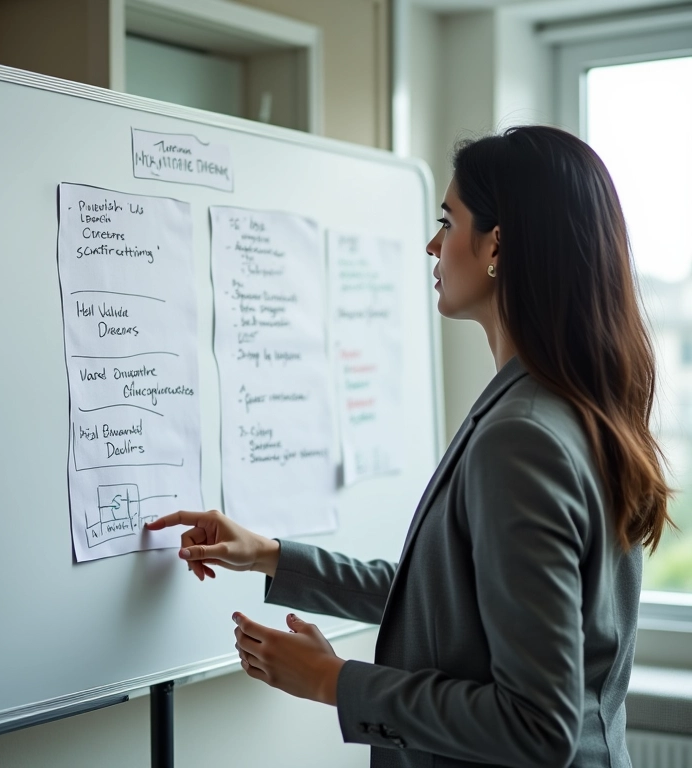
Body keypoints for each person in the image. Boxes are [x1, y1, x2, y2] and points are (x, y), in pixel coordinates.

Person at [146, 125, 672, 767]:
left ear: (496, 245)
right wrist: (271, 557)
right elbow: (446, 604)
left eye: (448, 222)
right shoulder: (565, 407)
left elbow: (538, 727)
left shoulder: (523, 436)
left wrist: (333, 681)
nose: (432, 244)